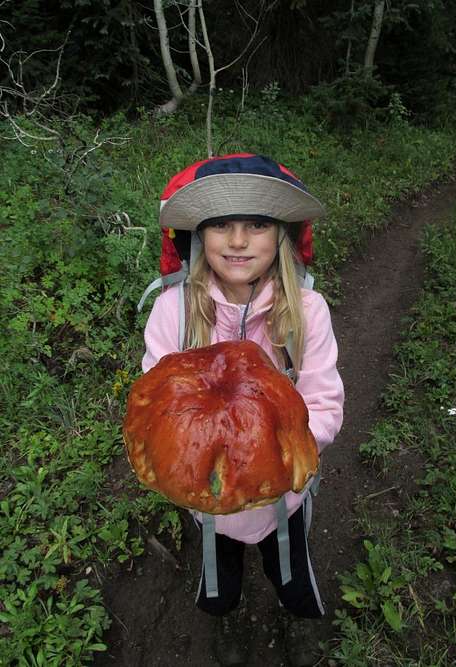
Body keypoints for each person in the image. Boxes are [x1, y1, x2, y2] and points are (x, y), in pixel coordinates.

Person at [141, 154, 344, 667]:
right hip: (206, 505)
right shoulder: (174, 312)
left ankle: (297, 619)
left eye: (256, 224)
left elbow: (323, 402)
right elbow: (156, 407)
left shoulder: (306, 312)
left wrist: (273, 457)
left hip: (283, 498)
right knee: (219, 579)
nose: (237, 241)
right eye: (220, 226)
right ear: (197, 238)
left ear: (281, 236)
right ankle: (224, 618)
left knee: (290, 568)